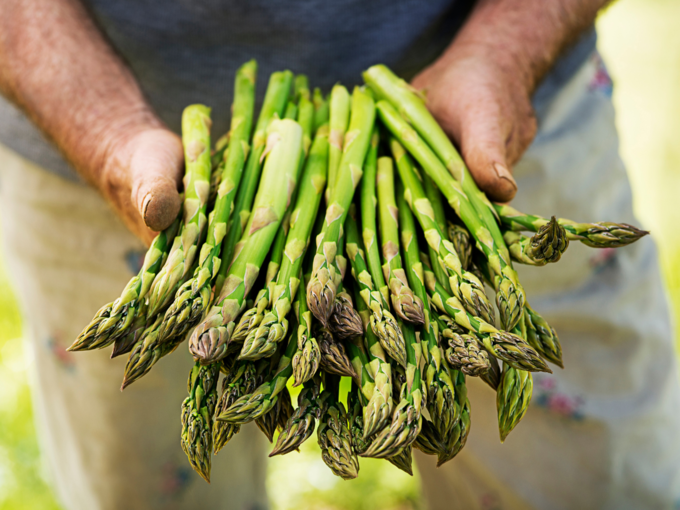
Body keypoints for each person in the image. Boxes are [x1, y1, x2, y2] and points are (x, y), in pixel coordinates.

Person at [1, 0, 678, 509]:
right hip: (88, 117)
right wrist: (104, 129)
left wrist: (506, 53)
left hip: (487, 119)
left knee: (599, 486)